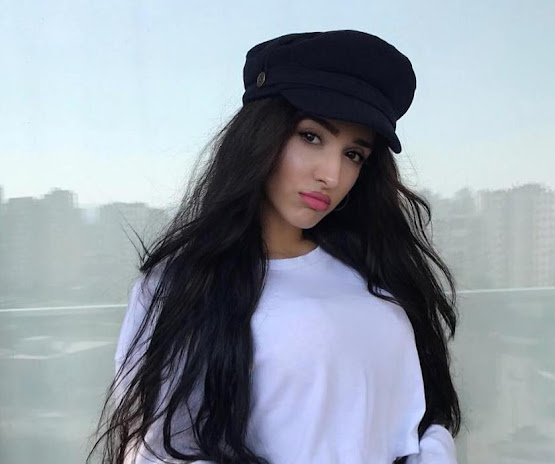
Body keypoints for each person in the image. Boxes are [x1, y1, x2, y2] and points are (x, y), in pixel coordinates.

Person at [88, 29, 461, 464]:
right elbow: (158, 453)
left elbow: (422, 415)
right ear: (261, 135)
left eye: (354, 154)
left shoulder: (375, 268)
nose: (332, 175)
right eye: (312, 137)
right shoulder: (182, 286)